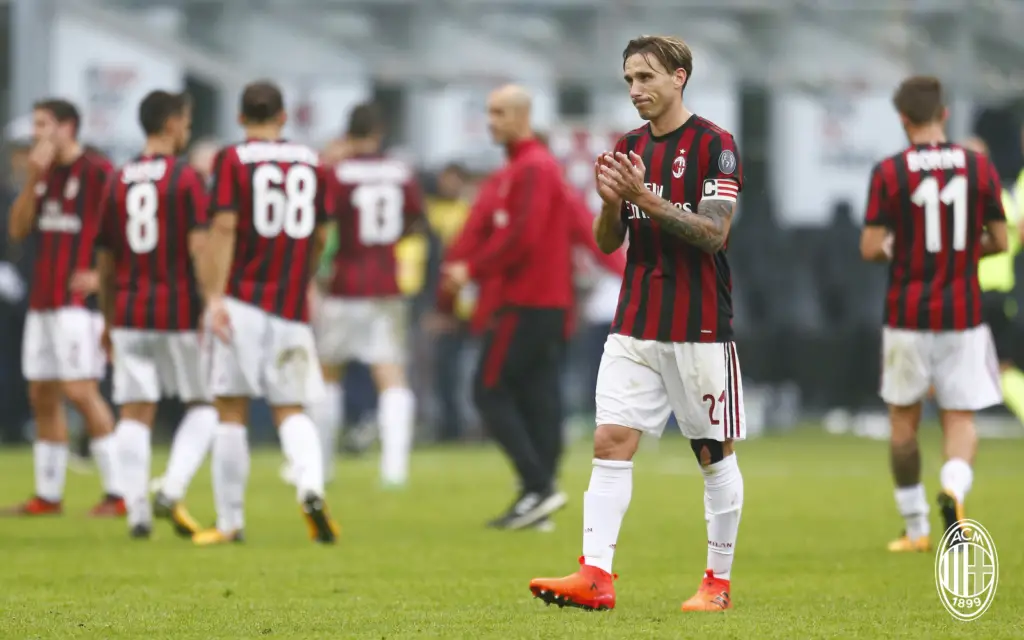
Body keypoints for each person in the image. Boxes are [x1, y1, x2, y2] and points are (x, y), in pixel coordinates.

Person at [529, 35, 746, 612]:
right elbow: (608, 243)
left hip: (698, 324)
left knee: (712, 453)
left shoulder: (715, 145)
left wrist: (643, 198)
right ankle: (596, 575)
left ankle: (717, 585)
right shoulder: (626, 148)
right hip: (634, 322)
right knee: (611, 439)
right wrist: (608, 203)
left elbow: (714, 232)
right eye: (628, 79)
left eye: (646, 78)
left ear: (679, 77)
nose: (635, 90)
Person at [858, 77, 1007, 553]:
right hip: (963, 315)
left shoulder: (888, 172)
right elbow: (1001, 241)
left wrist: (902, 250)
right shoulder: (979, 166)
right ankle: (953, 489)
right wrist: (963, 253)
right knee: (959, 418)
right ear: (944, 114)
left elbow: (869, 248)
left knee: (903, 423)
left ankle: (917, 527)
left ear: (903, 120)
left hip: (907, 315)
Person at [194, 80, 338, 545]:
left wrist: (214, 296)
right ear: (283, 116)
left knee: (230, 408)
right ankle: (312, 488)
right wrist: (305, 277)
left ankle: (231, 522)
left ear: (240, 118)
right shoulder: (312, 161)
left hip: (243, 300)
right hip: (291, 303)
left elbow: (224, 226)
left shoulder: (232, 159)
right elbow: (320, 235)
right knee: (291, 408)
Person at [440, 85, 576, 530]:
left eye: (499, 113)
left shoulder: (532, 168)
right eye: (489, 111)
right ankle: (538, 501)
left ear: (522, 116)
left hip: (526, 301)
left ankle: (538, 486)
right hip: (545, 301)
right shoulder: (527, 167)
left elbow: (521, 236)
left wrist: (471, 271)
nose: (491, 121)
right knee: (538, 396)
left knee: (488, 389)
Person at [91, 90, 218, 539]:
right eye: (184, 121)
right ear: (169, 124)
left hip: (127, 310)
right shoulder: (185, 179)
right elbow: (198, 248)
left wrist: (107, 319)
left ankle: (137, 513)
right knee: (204, 405)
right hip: (177, 310)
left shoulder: (119, 179)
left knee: (134, 411)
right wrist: (211, 303)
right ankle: (172, 488)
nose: (186, 130)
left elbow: (104, 259)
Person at [2, 99, 124, 517]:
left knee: (80, 390)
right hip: (43, 299)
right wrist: (32, 177)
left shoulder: (98, 171)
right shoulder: (42, 174)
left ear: (68, 127)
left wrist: (100, 276)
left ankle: (118, 492)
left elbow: (124, 230)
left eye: (42, 124)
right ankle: (48, 496)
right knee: (43, 394)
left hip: (79, 303)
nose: (36, 133)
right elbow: (17, 230)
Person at [307, 103, 423, 488]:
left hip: (343, 283)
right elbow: (412, 219)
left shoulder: (337, 173)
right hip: (385, 283)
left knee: (328, 374)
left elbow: (321, 225)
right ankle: (394, 470)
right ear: (380, 131)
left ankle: (322, 468)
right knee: (391, 376)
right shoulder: (400, 171)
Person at [962, 136, 1024, 425]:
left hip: (984, 290)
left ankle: (957, 420)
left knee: (991, 363)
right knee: (996, 364)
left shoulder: (978, 195)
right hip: (987, 290)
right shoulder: (1000, 194)